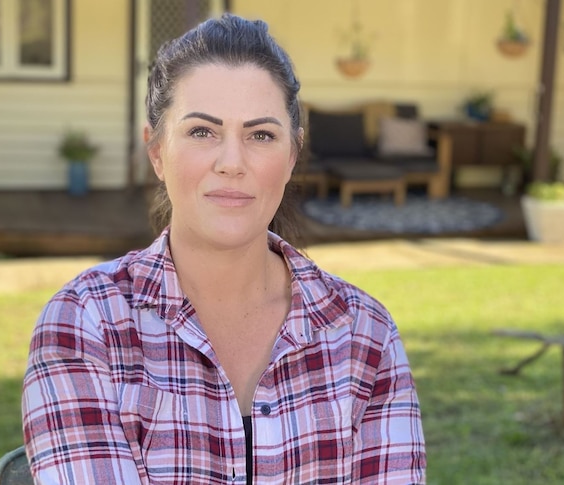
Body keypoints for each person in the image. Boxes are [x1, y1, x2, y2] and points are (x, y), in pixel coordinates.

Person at [22, 13, 425, 484]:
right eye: (201, 132)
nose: (232, 163)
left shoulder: (364, 335)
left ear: (292, 156)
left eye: (260, 135)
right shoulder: (85, 324)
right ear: (156, 152)